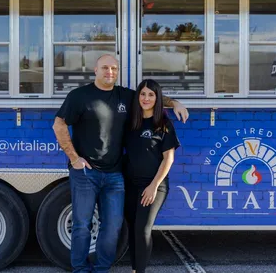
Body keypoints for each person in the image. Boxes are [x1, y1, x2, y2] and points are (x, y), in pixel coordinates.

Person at [52, 54, 188, 273]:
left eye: (114, 69)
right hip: (86, 174)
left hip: (115, 174)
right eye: (105, 68)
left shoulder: (125, 96)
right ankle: (79, 269)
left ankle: (102, 268)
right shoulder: (79, 96)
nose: (110, 72)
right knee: (82, 226)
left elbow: (150, 96)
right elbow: (58, 125)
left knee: (113, 226)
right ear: (95, 70)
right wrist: (74, 158)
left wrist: (175, 103)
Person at [123, 79, 180, 273]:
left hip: (155, 185)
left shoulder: (163, 124)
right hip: (130, 184)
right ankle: (134, 269)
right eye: (143, 94)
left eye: (151, 95)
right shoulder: (130, 122)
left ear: (157, 99)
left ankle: (140, 271)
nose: (146, 98)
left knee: (143, 229)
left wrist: (154, 186)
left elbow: (168, 159)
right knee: (132, 228)